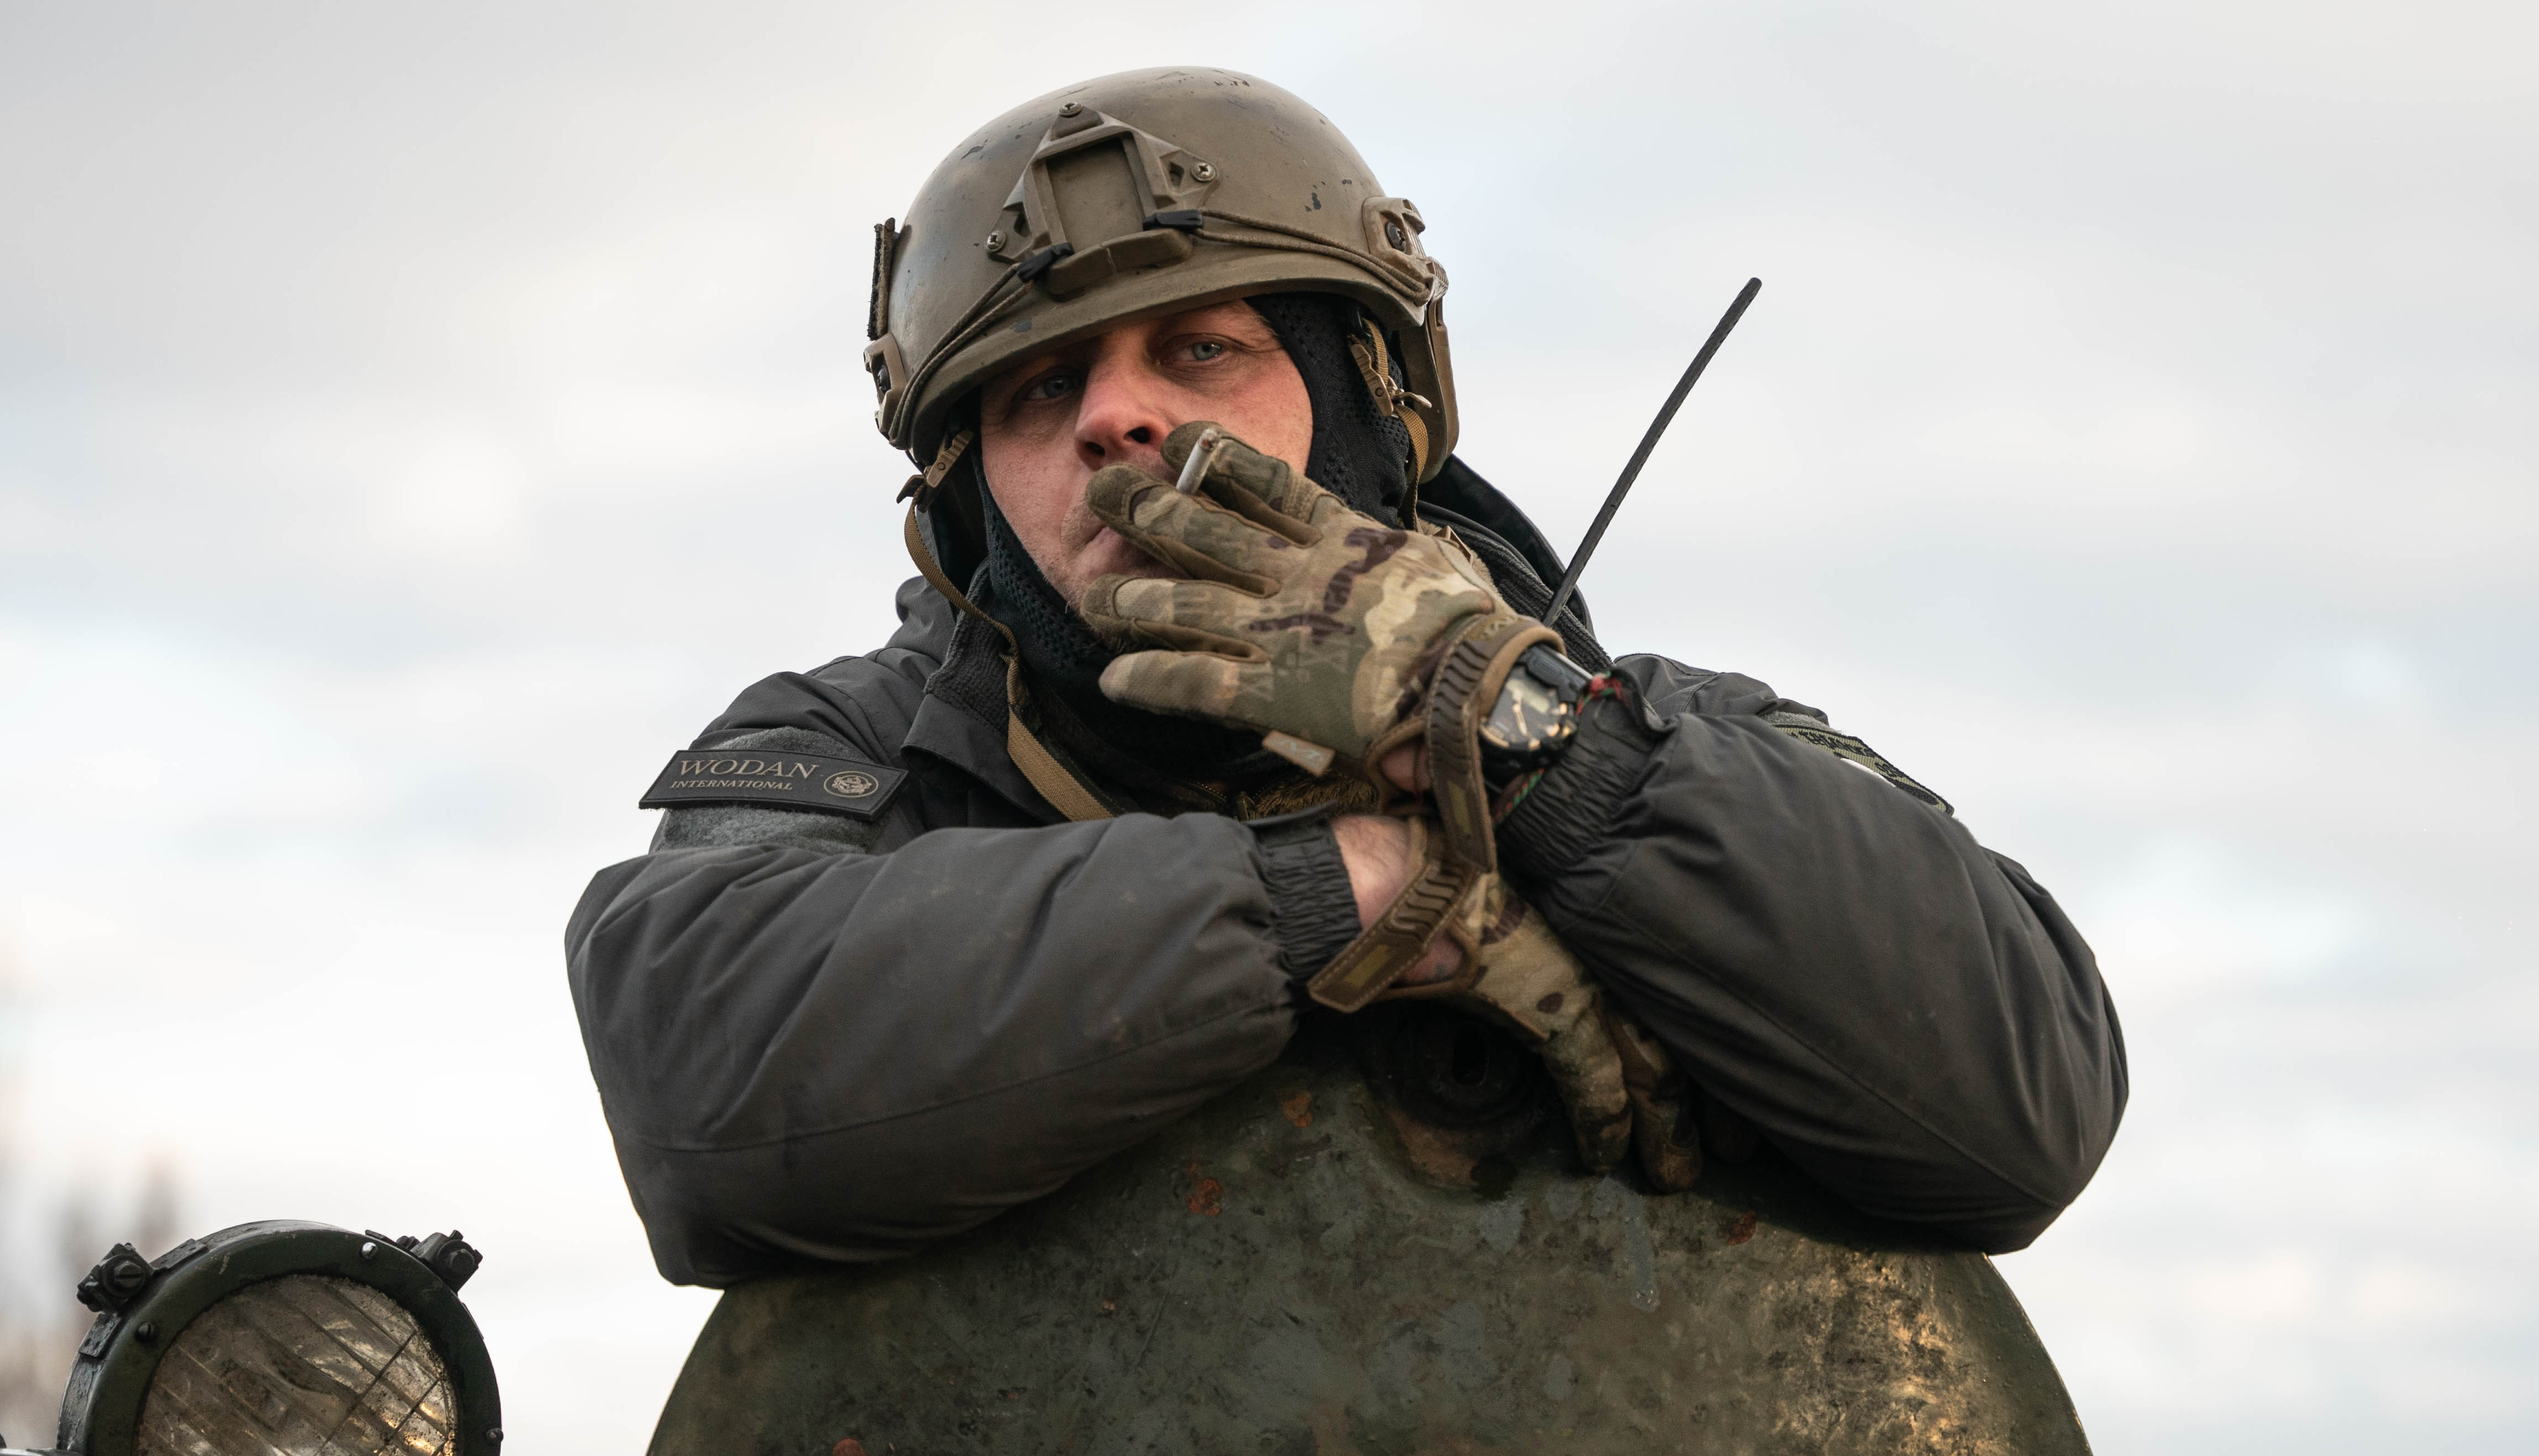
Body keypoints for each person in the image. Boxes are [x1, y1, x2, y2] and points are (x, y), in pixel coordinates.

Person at [565, 68, 2125, 1288]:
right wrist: (1365, 890)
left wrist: (1519, 738)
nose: (1116, 418)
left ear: (1367, 404)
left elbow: (2020, 1105)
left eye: (1200, 350)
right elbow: (709, 1098)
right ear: (970, 497)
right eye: (1041, 390)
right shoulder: (854, 753)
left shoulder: (1670, 740)